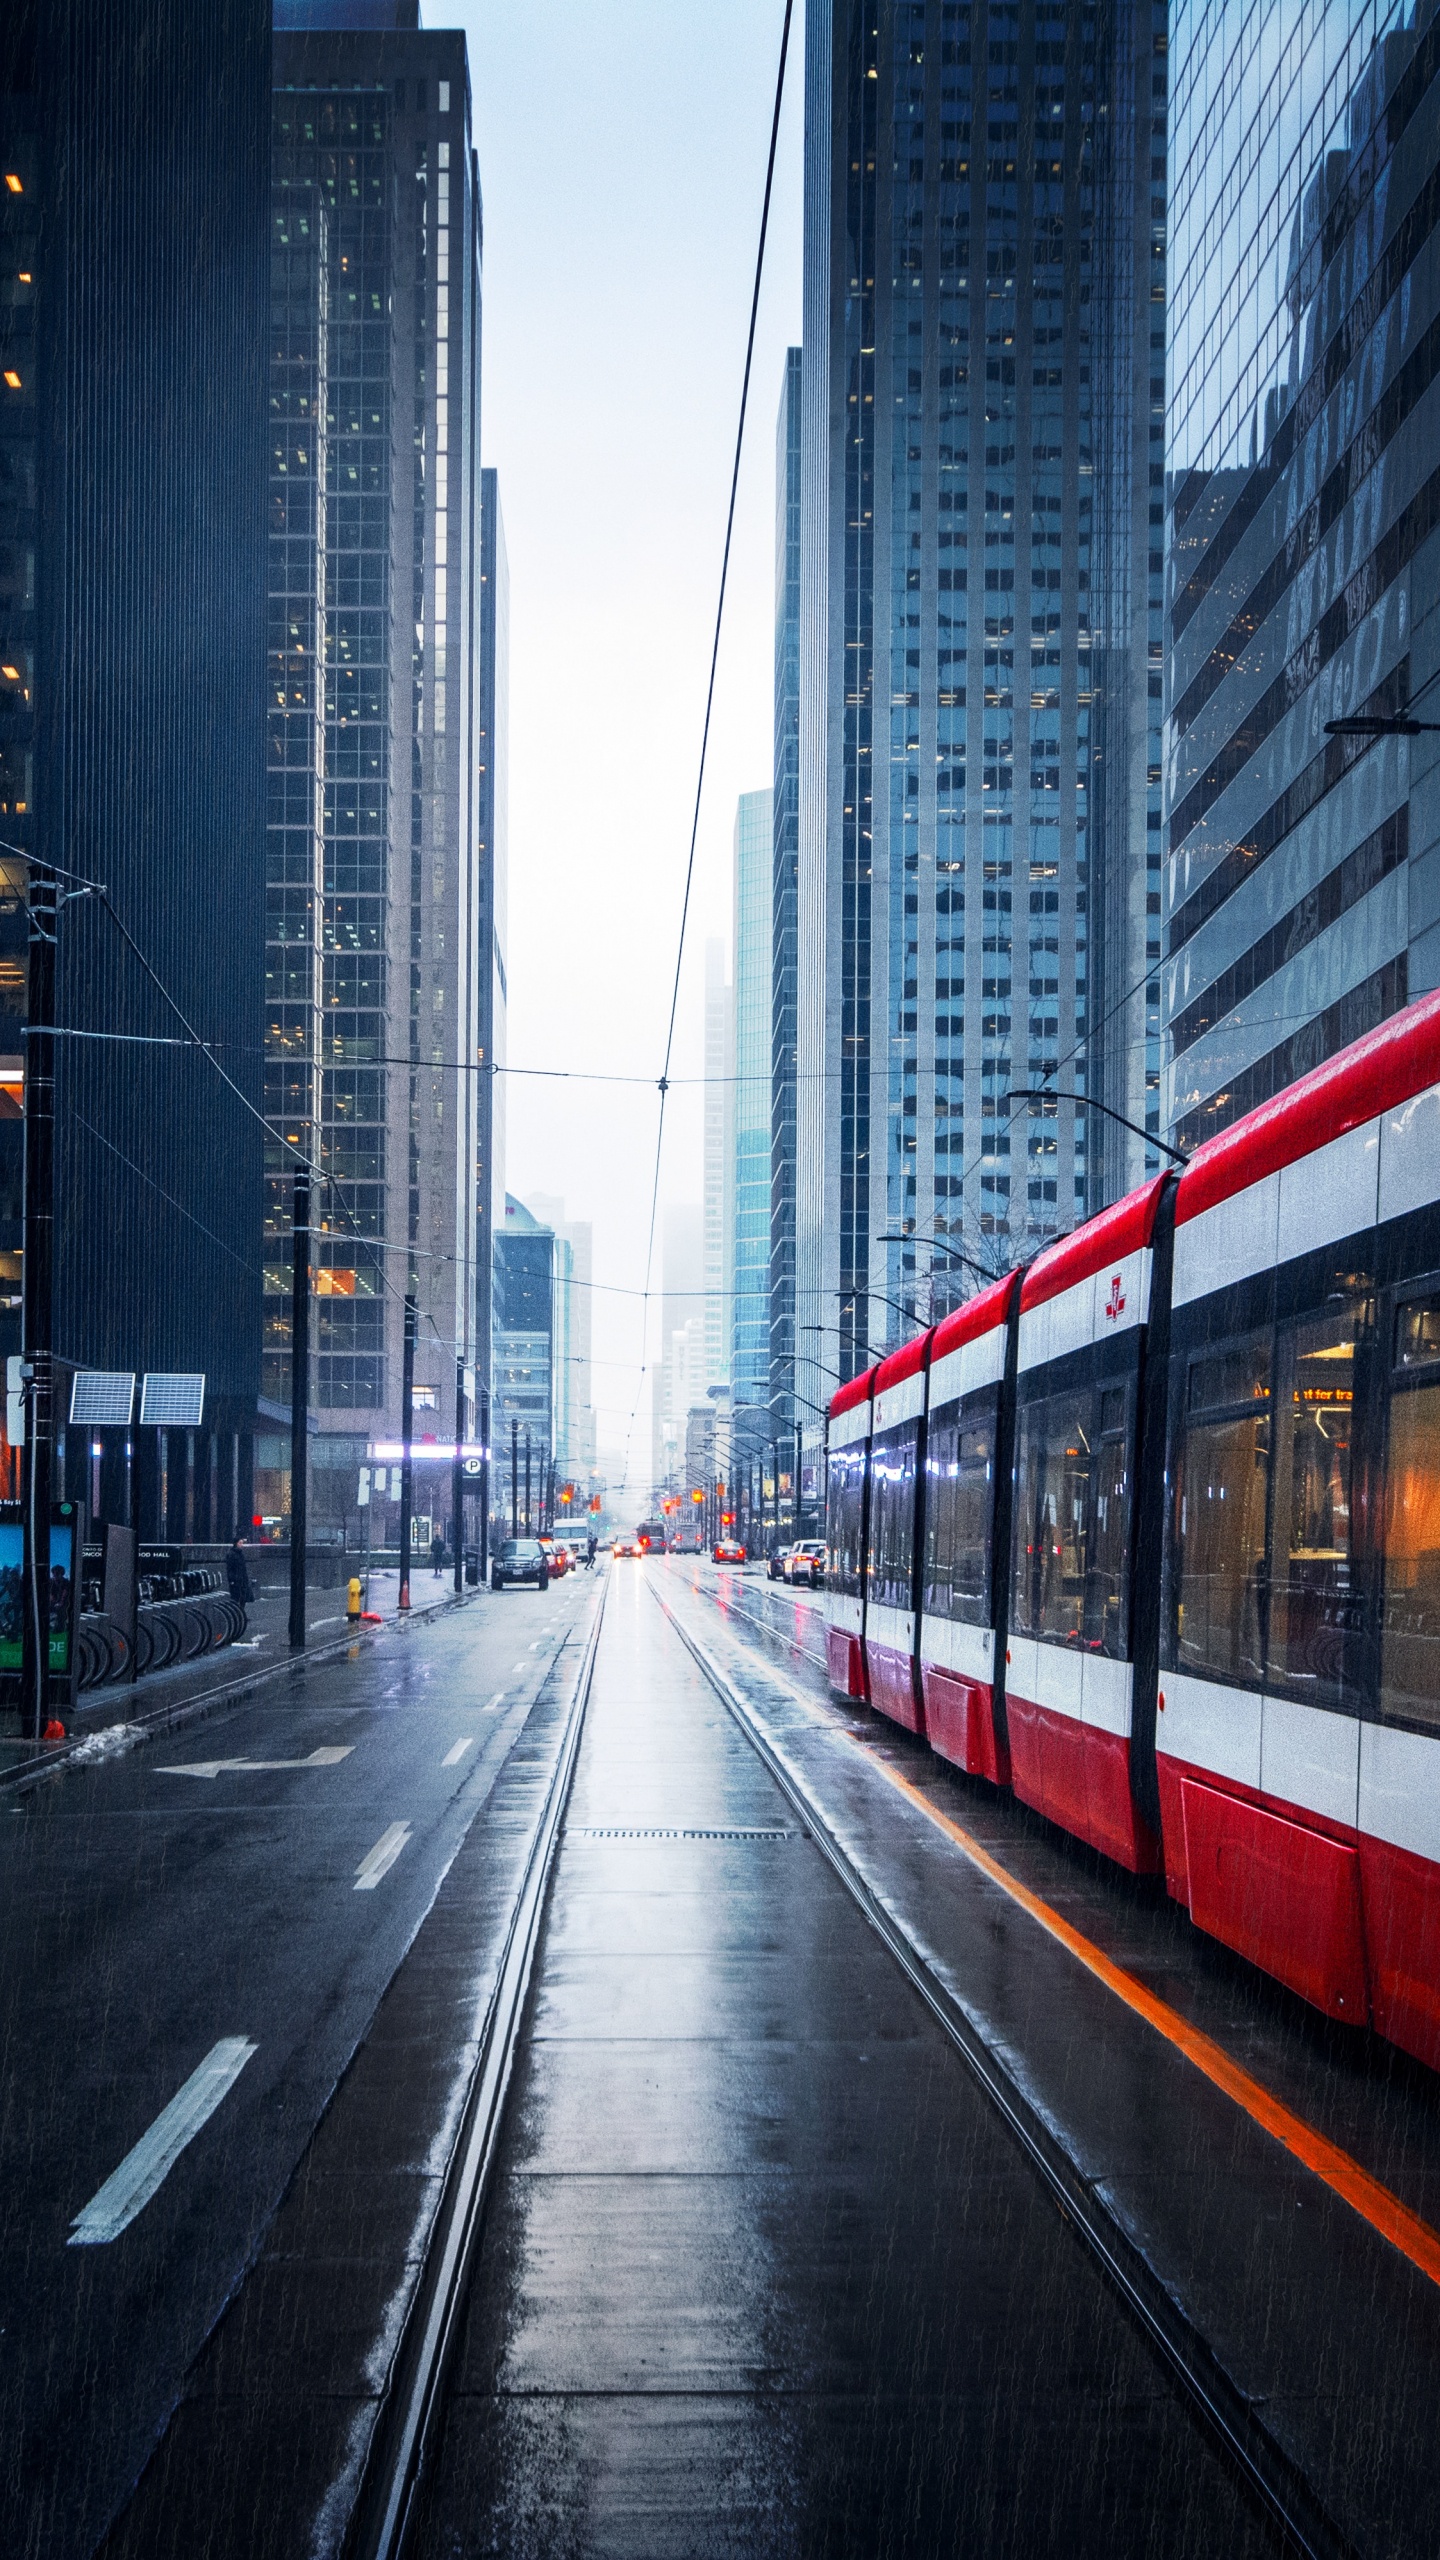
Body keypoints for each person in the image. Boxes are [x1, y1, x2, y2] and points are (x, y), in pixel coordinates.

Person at [226, 1535, 253, 1608]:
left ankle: (241, 1613)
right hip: (236, 1579)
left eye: (242, 1543)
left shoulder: (240, 1553)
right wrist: (231, 1579)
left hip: (242, 1578)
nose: (241, 1545)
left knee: (243, 1597)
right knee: (236, 1597)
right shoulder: (231, 1554)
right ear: (236, 1543)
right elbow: (230, 1568)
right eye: (240, 1543)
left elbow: (243, 1568)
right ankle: (237, 1614)